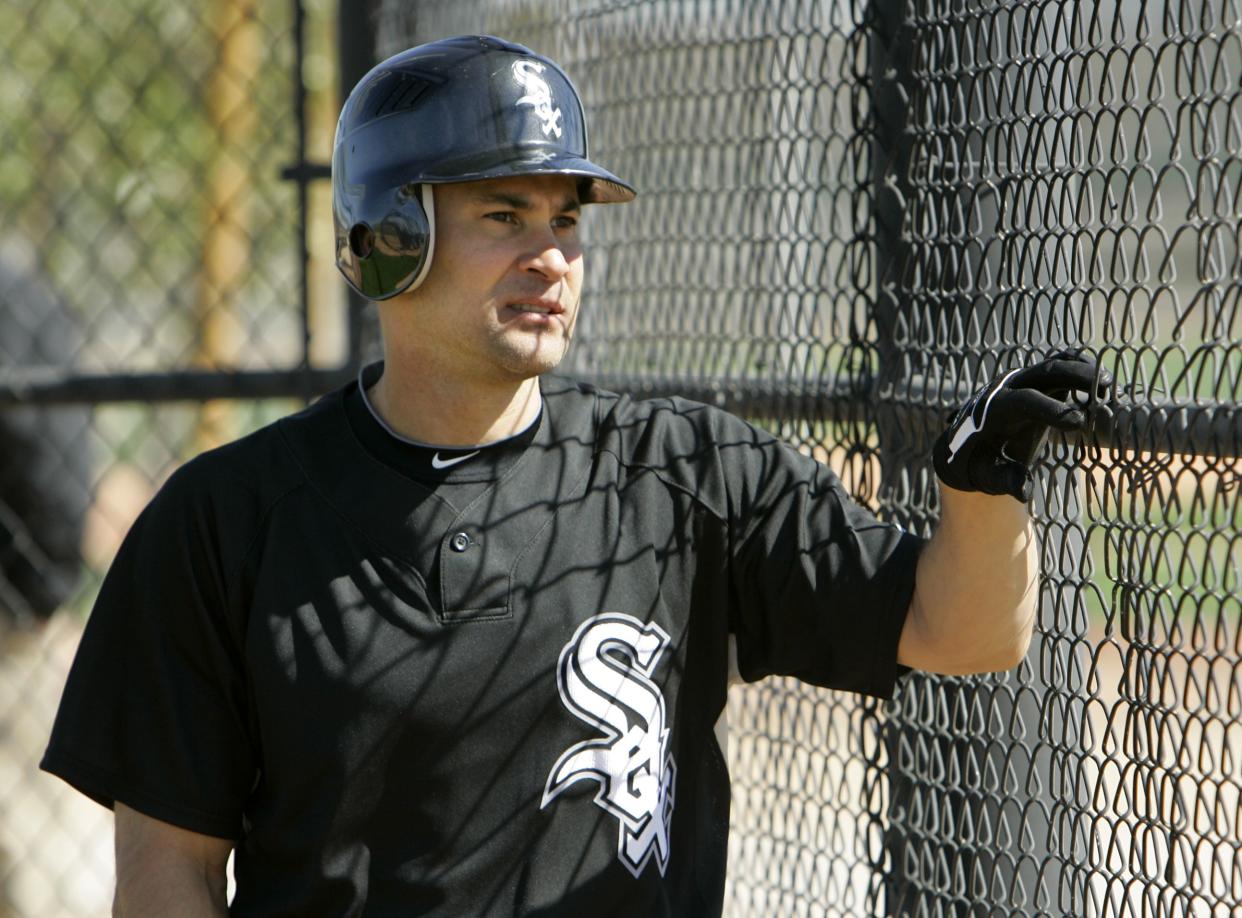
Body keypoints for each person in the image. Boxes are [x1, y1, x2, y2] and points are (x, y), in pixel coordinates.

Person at [41, 35, 1110, 917]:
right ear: (388, 240)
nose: (551, 256)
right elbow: (170, 867)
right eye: (504, 217)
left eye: (567, 221)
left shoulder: (685, 474)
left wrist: (984, 485)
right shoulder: (228, 520)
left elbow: (965, 632)